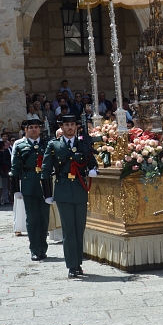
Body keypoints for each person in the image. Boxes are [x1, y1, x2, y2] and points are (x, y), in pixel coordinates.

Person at [41, 115, 98, 278]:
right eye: (67, 125)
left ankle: (78, 262)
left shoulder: (83, 143)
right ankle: (71, 265)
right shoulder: (54, 145)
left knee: (79, 229)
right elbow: (46, 170)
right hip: (63, 189)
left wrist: (93, 170)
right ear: (62, 127)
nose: (70, 127)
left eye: (72, 124)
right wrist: (47, 193)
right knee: (68, 229)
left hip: (80, 189)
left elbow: (91, 161)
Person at [10, 118, 50, 261]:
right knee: (32, 218)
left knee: (44, 218)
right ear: (26, 130)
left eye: (36, 127)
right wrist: (16, 189)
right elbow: (15, 168)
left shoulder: (47, 144)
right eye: (31, 127)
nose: (34, 129)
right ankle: (34, 249)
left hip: (45, 184)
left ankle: (43, 248)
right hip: (28, 183)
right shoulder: (21, 146)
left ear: (40, 129)